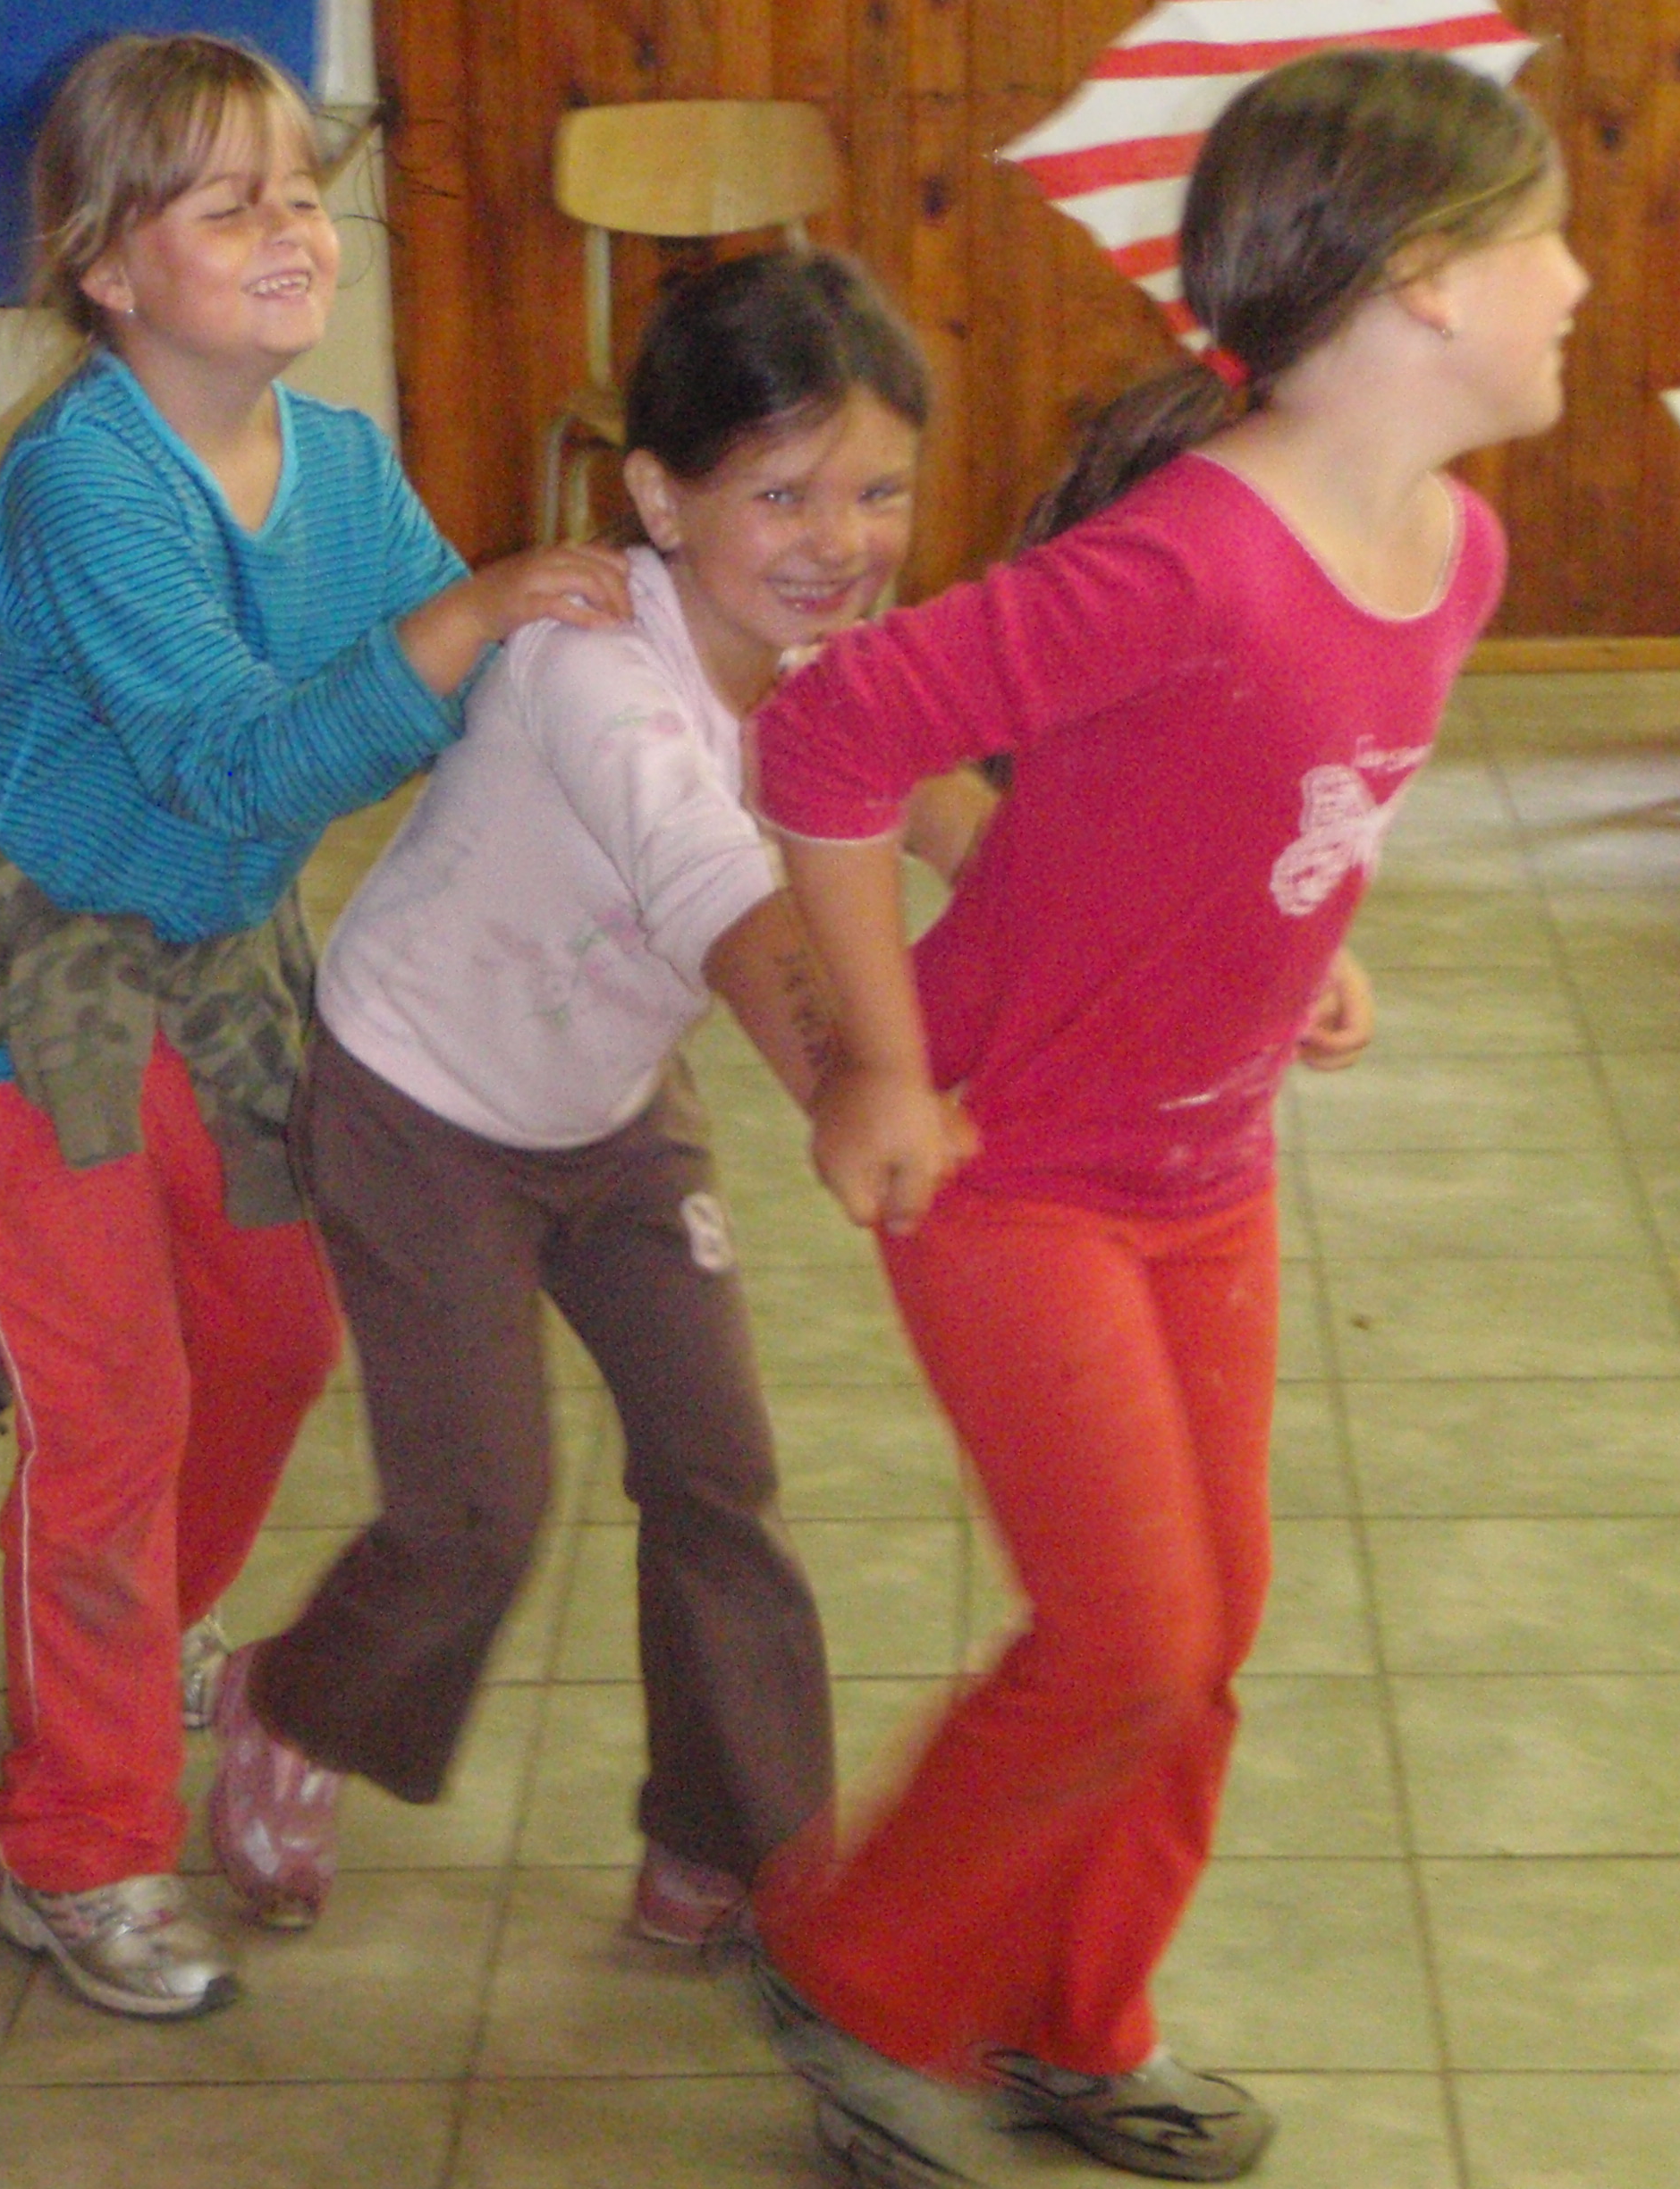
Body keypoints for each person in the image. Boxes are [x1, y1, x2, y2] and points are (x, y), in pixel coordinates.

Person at [736, 48, 1588, 2186]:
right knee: (1126, 1636)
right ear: (1419, 284)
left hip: (1207, 1170)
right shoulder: (1191, 557)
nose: (1578, 281)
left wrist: (1307, 946)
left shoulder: (1457, 550)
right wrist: (882, 1069)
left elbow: (1267, 795)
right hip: (1011, 1167)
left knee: (1205, 1638)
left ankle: (1069, 2016)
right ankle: (858, 1975)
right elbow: (832, 736)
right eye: (1543, 240)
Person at [0, 30, 627, 2024]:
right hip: (10, 989)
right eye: (228, 200)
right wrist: (473, 618)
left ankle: (130, 1633)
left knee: (271, 1331)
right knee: (111, 1418)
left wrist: (651, 725)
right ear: (107, 265)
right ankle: (76, 1846)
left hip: (211, 968)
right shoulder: (85, 477)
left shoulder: (337, 462)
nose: (292, 228)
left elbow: (474, 687)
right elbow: (229, 760)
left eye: (301, 188)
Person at [200, 249, 990, 1949]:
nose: (838, 541)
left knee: (720, 1471)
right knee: (476, 1512)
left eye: (878, 491)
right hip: (417, 1108)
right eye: (780, 493)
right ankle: (291, 1703)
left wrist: (1124, 943)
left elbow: (951, 811)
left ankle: (733, 1840)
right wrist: (857, 1096)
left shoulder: (839, 657)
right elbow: (728, 905)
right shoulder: (591, 666)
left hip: (614, 1112)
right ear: (658, 496)